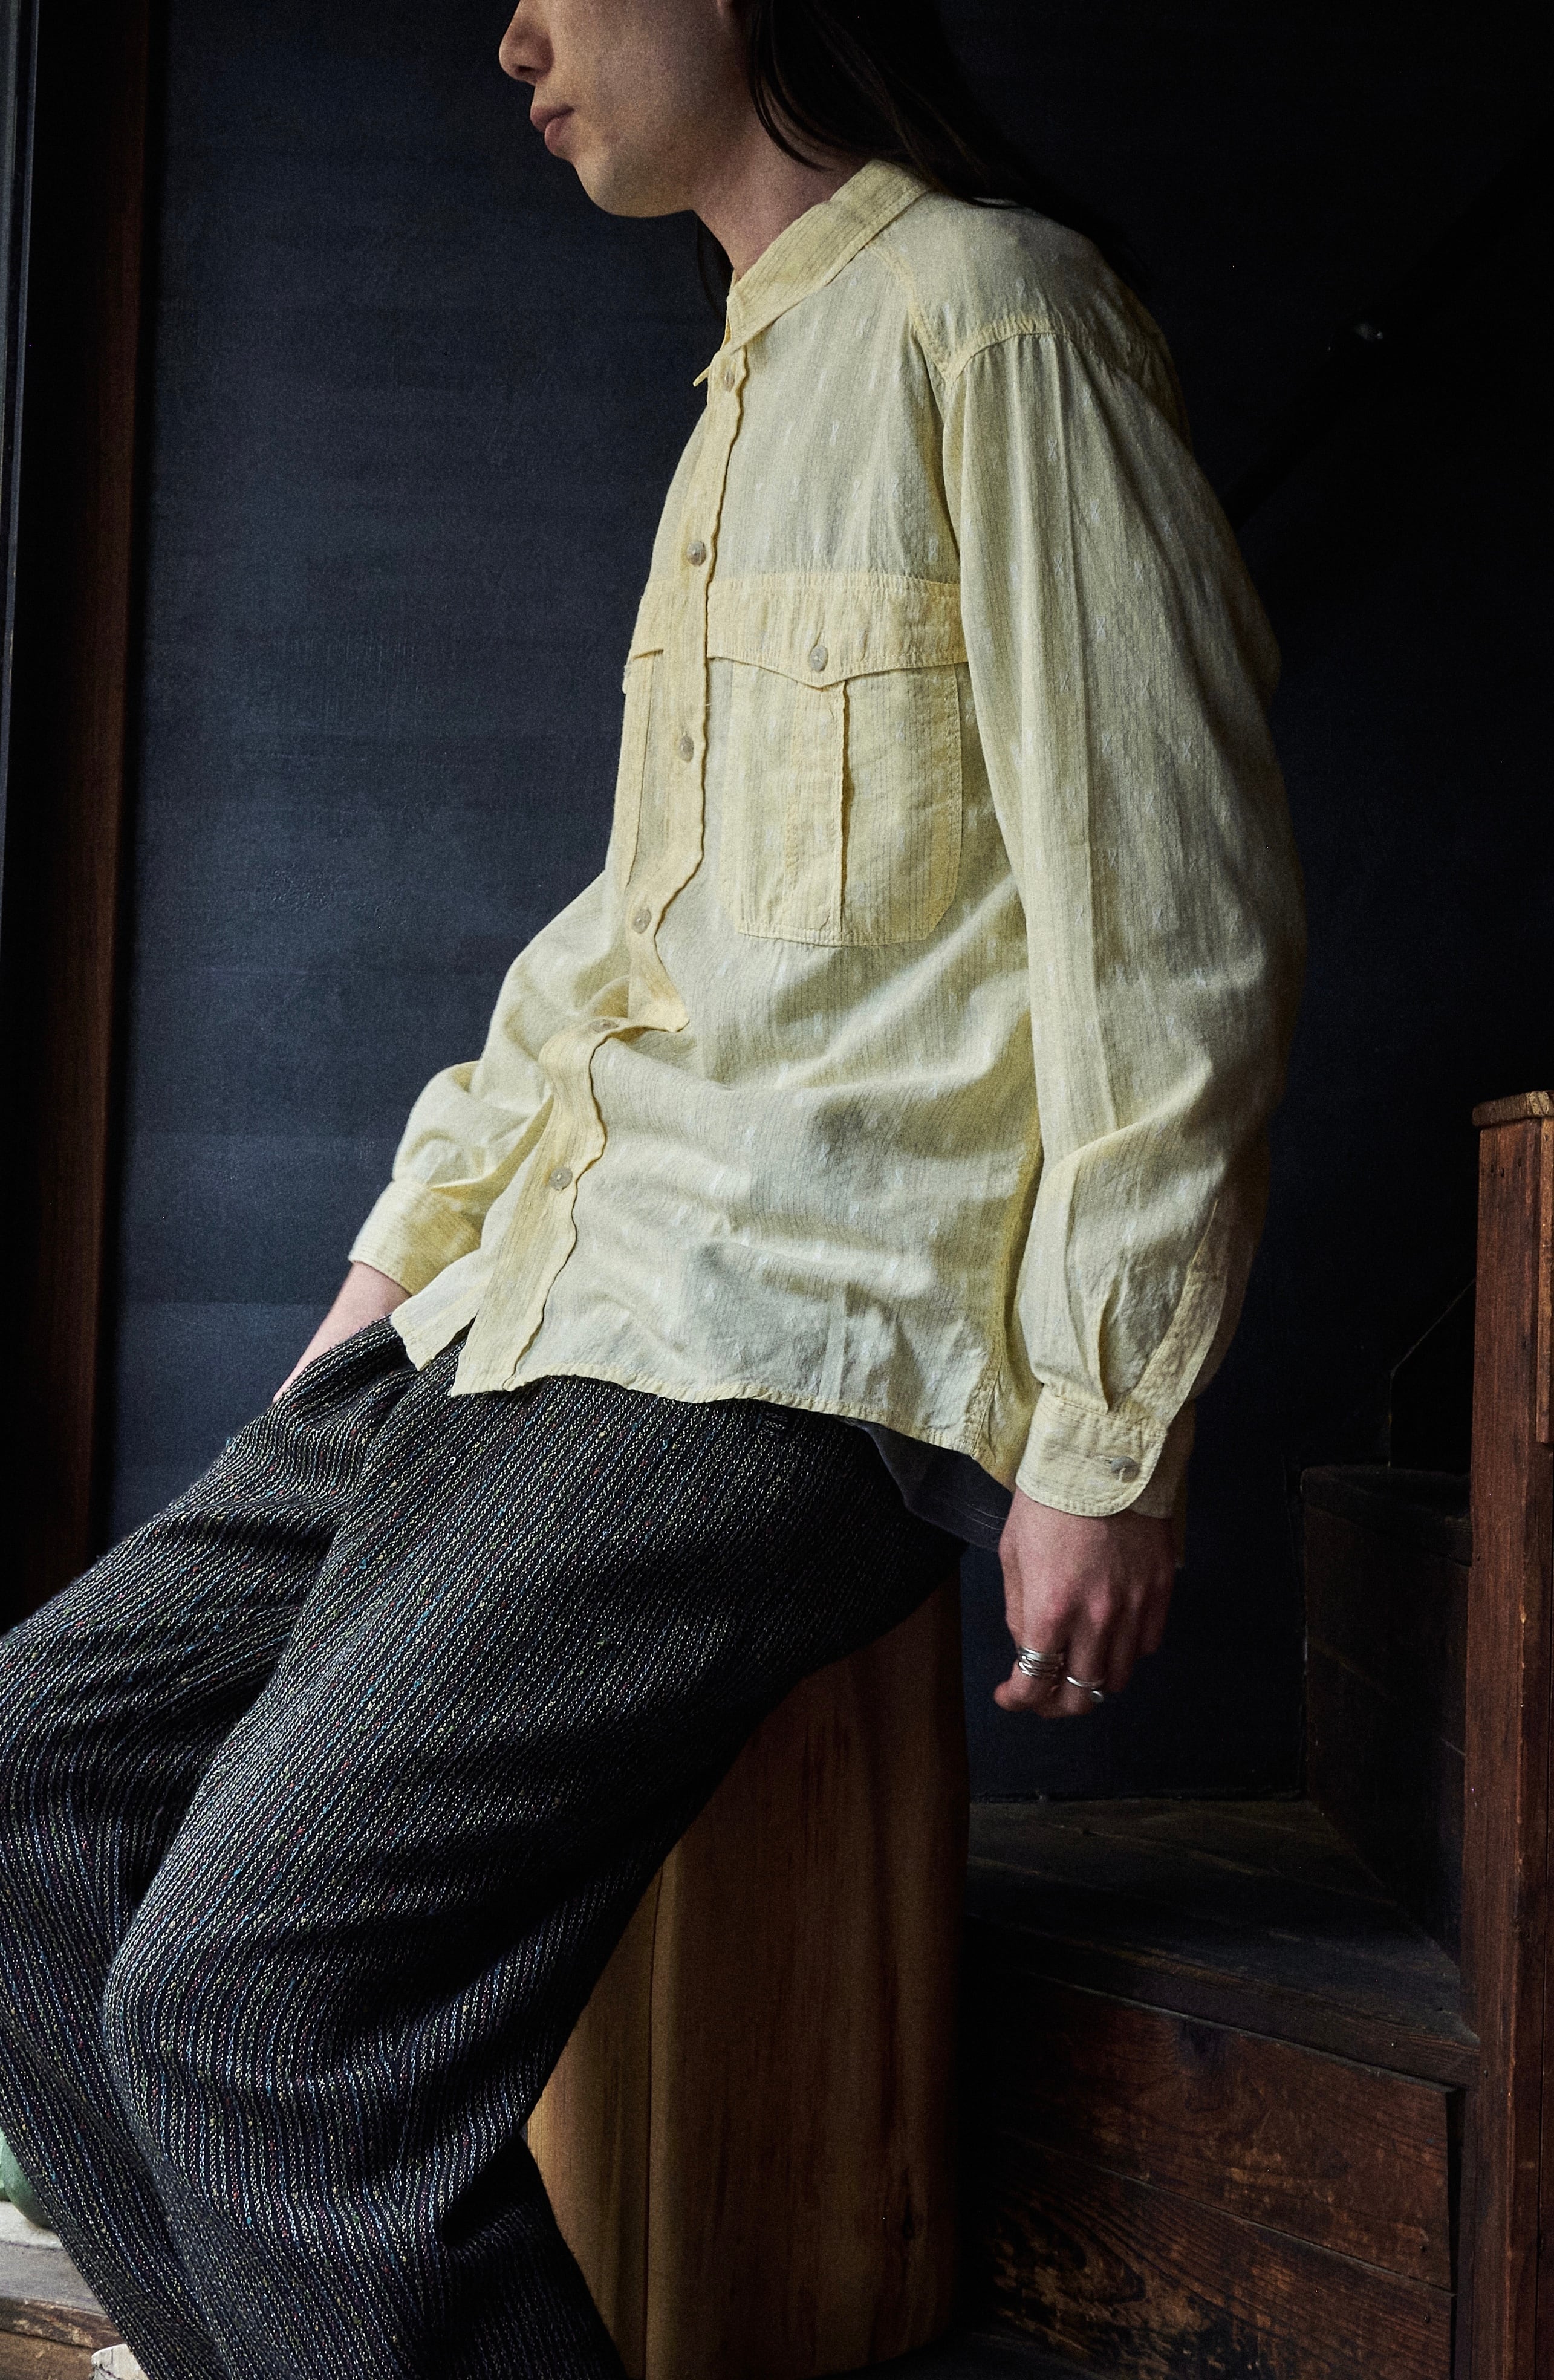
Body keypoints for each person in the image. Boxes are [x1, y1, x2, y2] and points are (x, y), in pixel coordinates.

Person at [0, 0, 1304, 2374]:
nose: (508, 27)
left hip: (775, 1336)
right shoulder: (746, 387)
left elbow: (1169, 906)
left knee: (255, 1987)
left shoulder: (991, 317)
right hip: (530, 1300)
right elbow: (628, 940)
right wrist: (391, 1274)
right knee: (19, 1783)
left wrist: (1111, 1431)